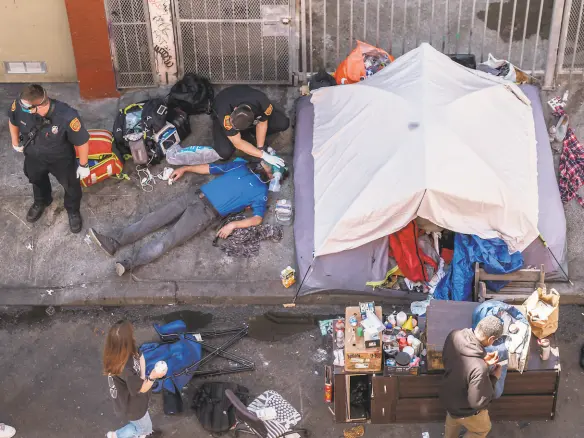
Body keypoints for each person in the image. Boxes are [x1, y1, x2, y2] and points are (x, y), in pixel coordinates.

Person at [88, 158, 276, 275]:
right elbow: (211, 168)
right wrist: (186, 168)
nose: (262, 165)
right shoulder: (241, 165)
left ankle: (129, 264)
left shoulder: (261, 192)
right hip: (194, 195)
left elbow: (258, 218)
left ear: (272, 175)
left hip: (206, 213)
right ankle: (113, 242)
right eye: (264, 162)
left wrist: (233, 225)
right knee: (153, 219)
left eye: (267, 166)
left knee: (167, 240)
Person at [8, 84, 90, 233]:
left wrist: (84, 165)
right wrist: (15, 142)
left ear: (37, 107)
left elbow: (82, 141)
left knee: (71, 187)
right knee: (36, 179)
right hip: (33, 155)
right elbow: (13, 120)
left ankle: (72, 210)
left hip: (61, 159)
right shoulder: (20, 105)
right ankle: (42, 201)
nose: (23, 109)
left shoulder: (67, 116)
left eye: (27, 108)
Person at [167, 85, 287, 168]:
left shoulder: (262, 101)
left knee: (283, 123)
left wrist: (260, 148)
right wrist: (264, 155)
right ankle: (176, 153)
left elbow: (262, 122)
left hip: (250, 114)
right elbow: (237, 142)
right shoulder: (225, 112)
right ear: (234, 110)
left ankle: (250, 138)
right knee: (224, 152)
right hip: (222, 108)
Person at [439, 315, 504, 438]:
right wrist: (494, 377)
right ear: (491, 339)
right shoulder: (479, 368)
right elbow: (477, 403)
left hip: (448, 397)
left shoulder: (454, 335)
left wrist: (482, 360)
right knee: (482, 429)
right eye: (494, 341)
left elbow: (451, 362)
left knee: (452, 423)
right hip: (464, 410)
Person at [103, 320, 166, 438]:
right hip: (132, 406)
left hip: (129, 399)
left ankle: (147, 431)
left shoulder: (118, 350)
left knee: (142, 424)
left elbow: (140, 355)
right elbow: (142, 389)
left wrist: (142, 376)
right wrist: (153, 376)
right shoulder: (125, 369)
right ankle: (117, 435)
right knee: (140, 428)